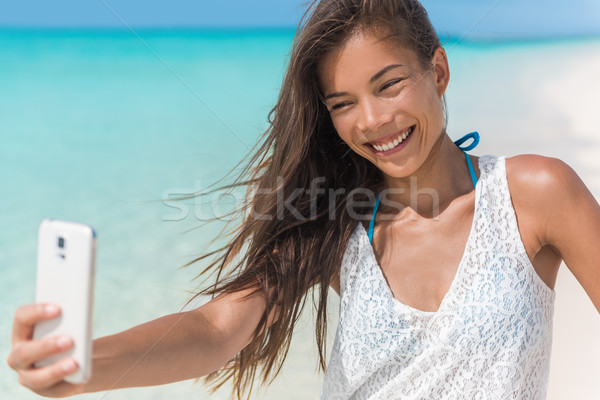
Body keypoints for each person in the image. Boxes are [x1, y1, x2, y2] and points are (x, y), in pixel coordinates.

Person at [7, 0, 600, 399]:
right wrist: (81, 364)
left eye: (389, 83)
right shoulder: (335, 219)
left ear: (438, 72)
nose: (371, 120)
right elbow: (217, 329)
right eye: (342, 103)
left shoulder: (534, 194)